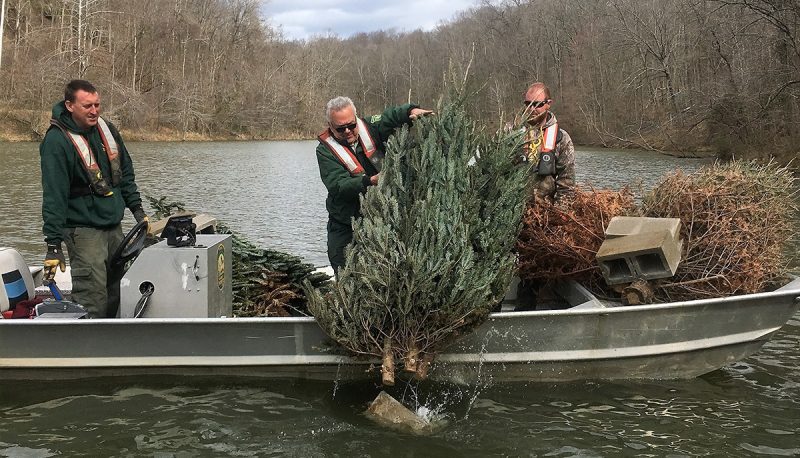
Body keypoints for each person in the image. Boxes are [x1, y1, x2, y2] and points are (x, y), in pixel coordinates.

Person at [40, 79, 148, 318]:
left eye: (97, 105)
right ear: (69, 105)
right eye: (87, 106)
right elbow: (53, 197)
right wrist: (53, 244)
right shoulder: (57, 142)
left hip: (113, 227)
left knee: (119, 289)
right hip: (83, 230)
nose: (94, 111)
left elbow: (125, 174)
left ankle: (113, 345)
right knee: (93, 296)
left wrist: (138, 211)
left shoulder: (106, 130)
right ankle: (84, 347)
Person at [316, 96, 432, 274]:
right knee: (342, 265)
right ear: (330, 126)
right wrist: (369, 181)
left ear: (356, 118)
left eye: (351, 125)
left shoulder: (371, 126)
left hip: (381, 214)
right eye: (340, 128)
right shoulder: (325, 150)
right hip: (345, 220)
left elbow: (390, 116)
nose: (347, 131)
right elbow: (338, 186)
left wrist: (411, 111)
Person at [520, 82, 575, 201]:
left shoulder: (561, 138)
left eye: (537, 104)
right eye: (528, 104)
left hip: (544, 211)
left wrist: (561, 215)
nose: (531, 109)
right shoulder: (511, 133)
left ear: (548, 104)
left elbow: (566, 186)